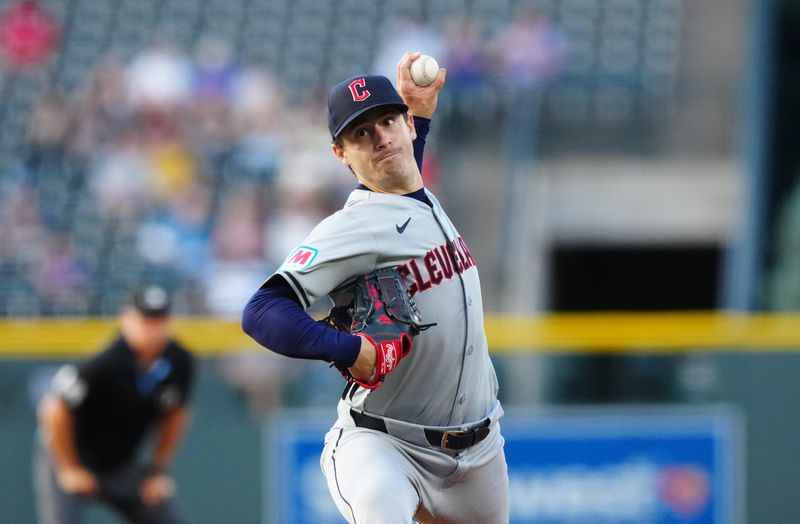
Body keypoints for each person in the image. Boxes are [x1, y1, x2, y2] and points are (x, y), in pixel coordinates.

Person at [242, 52, 509, 523]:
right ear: (340, 154)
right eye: (361, 134)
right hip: (386, 445)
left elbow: (402, 179)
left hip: (480, 453)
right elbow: (262, 310)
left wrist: (419, 114)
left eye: (388, 121)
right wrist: (348, 349)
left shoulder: (416, 196)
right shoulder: (355, 226)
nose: (380, 137)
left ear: (407, 125)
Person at [34, 284, 194, 524]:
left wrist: (157, 471)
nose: (153, 329)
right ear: (127, 319)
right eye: (146, 320)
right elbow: (53, 411)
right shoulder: (104, 362)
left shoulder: (178, 359)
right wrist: (69, 468)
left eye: (160, 320)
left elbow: (177, 415)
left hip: (119, 464)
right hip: (71, 454)